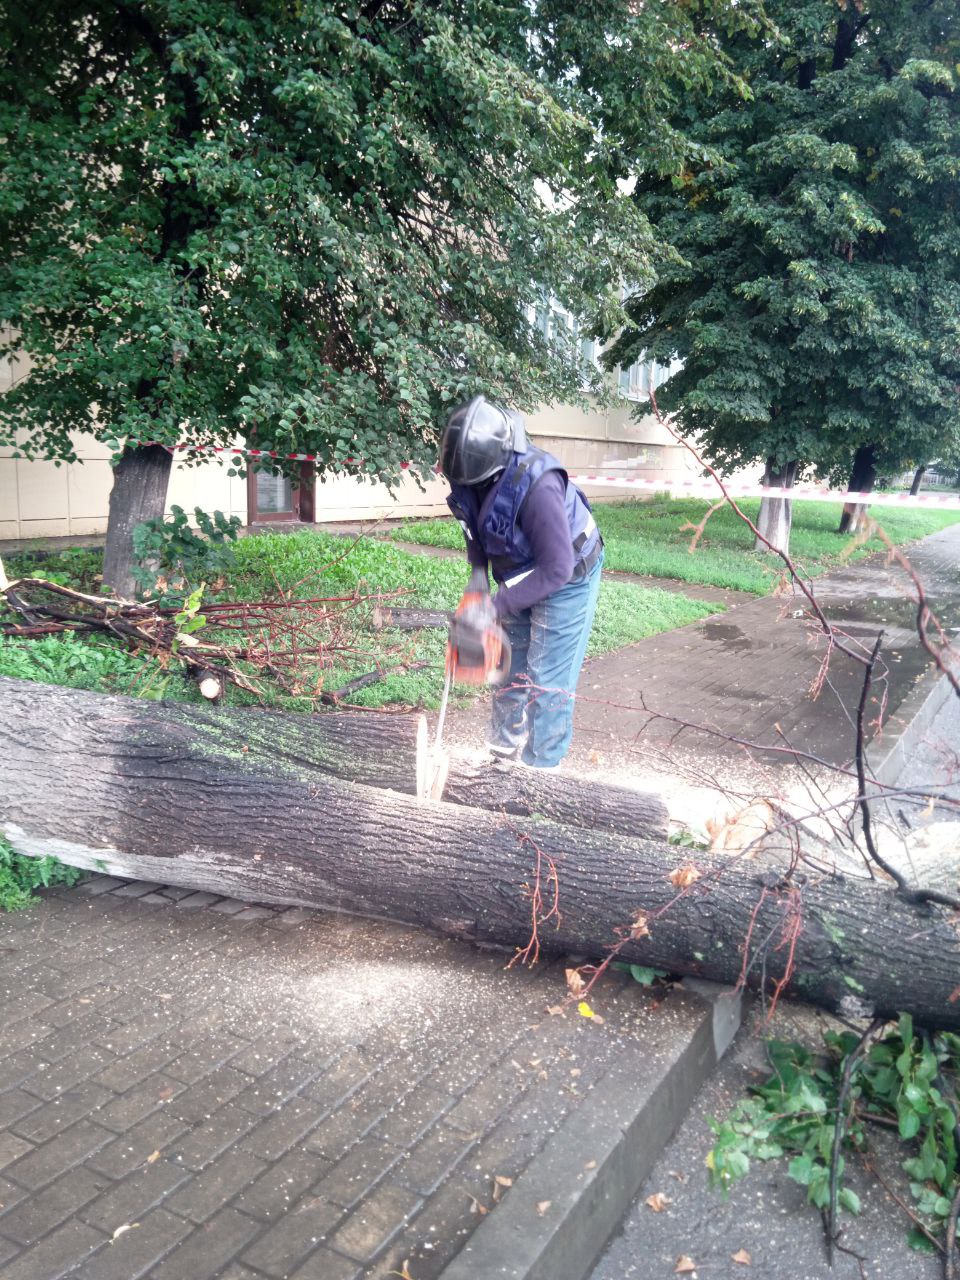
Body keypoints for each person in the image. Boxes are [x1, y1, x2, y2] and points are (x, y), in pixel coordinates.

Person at [439, 394, 604, 770]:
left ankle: (541, 774)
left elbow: (556, 568)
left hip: (569, 572)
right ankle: (501, 756)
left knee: (548, 681)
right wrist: (476, 591)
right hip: (521, 570)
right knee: (509, 669)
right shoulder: (467, 470)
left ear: (495, 462)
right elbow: (476, 535)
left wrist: (494, 607)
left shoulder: (538, 485)